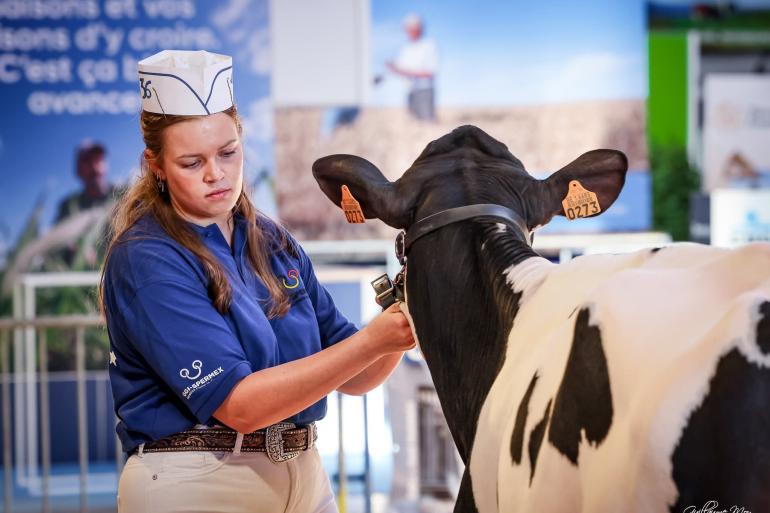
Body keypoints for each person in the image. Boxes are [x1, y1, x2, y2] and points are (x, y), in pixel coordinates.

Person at [100, 49, 415, 513]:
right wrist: (375, 340)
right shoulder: (148, 258)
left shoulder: (270, 239)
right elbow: (241, 406)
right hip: (198, 481)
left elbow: (358, 374)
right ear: (156, 164)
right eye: (192, 162)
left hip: (304, 472)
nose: (216, 174)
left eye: (229, 153)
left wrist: (404, 314)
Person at [386, 13, 439, 121]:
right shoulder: (406, 48)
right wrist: (393, 67)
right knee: (413, 122)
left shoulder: (429, 45)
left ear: (420, 28)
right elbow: (400, 68)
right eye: (408, 28)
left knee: (427, 122)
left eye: (412, 28)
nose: (409, 31)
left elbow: (430, 72)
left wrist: (406, 72)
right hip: (410, 90)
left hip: (425, 89)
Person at [55, 141, 115, 222]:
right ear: (78, 170)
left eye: (98, 159)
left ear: (106, 165)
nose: (94, 167)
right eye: (87, 161)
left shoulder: (124, 192)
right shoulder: (68, 206)